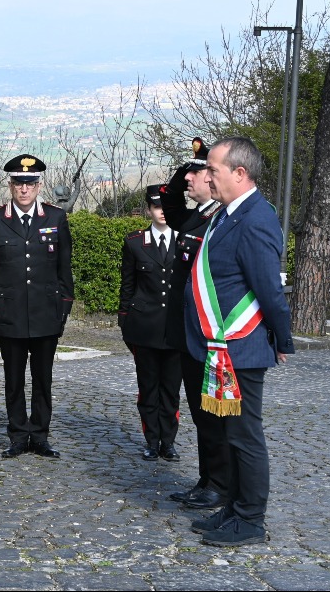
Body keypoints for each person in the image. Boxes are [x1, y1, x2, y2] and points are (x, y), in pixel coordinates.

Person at [183, 136, 293, 548]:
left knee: (246, 436)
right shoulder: (228, 215)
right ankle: (233, 506)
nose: (205, 176)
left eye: (212, 169)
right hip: (221, 345)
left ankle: (251, 519)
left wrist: (282, 339)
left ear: (239, 173)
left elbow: (269, 289)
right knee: (230, 434)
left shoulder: (256, 219)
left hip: (241, 344)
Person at [0, 154, 73, 459]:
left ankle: (41, 436)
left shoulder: (56, 218)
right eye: (19, 183)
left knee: (43, 380)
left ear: (39, 185)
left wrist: (63, 309)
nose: (24, 189)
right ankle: (18, 435)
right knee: (14, 380)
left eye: (30, 183)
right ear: (10, 185)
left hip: (47, 314)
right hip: (10, 316)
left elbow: (64, 269)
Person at [161, 138, 229, 510]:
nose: (187, 179)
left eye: (196, 172)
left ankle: (219, 482)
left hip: (208, 332)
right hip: (187, 332)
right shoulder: (194, 216)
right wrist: (187, 165)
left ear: (213, 178)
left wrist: (201, 161)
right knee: (200, 413)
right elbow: (169, 202)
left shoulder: (218, 219)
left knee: (213, 413)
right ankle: (206, 479)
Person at [118, 185, 182, 463]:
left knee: (171, 389)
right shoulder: (135, 242)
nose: (162, 212)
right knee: (148, 388)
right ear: (148, 210)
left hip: (176, 330)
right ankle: (151, 441)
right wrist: (125, 323)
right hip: (144, 328)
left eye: (167, 207)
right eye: (157, 207)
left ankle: (168, 442)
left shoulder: (186, 240)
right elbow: (127, 287)